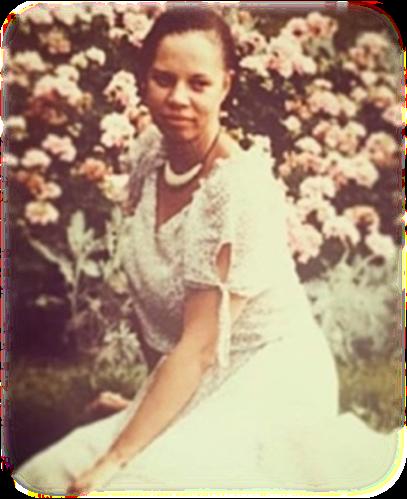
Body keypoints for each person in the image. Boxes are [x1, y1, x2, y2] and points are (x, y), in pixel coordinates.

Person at [13, 6, 399, 495]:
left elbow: (197, 346)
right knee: (46, 475)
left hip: (272, 378)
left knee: (129, 485)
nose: (178, 98)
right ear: (143, 81)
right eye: (164, 79)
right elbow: (159, 313)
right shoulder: (149, 155)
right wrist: (148, 407)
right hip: (194, 374)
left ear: (225, 86)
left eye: (198, 83)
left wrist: (116, 455)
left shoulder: (235, 189)